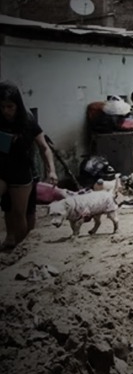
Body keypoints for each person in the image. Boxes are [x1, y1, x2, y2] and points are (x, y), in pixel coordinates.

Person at [0, 81, 57, 251]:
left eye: (10, 106)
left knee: (21, 213)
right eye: (2, 107)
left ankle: (22, 247)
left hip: (22, 171)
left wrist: (51, 170)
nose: (6, 111)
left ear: (17, 105)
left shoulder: (27, 121)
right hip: (2, 169)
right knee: (7, 208)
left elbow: (44, 148)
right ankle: (11, 238)